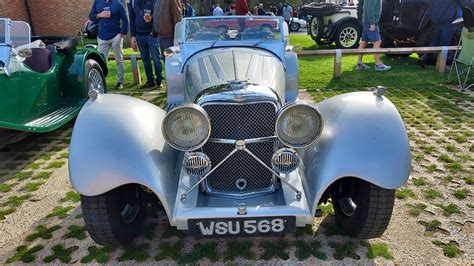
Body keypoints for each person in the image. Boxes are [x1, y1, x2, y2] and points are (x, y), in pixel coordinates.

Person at [89, 0, 128, 89]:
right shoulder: (97, 2)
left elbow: (125, 20)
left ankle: (120, 82)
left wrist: (122, 34)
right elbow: (91, 17)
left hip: (115, 36)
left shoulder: (118, 3)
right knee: (100, 61)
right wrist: (99, 15)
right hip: (102, 37)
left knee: (119, 60)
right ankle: (100, 83)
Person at [419, 0, 468, 67]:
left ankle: (425, 57)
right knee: (444, 44)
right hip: (449, 19)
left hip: (438, 19)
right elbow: (463, 3)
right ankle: (440, 65)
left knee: (436, 40)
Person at [128, 0, 162, 88]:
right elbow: (132, 18)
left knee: (156, 58)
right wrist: (133, 36)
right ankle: (151, 81)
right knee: (145, 59)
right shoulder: (132, 1)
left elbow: (159, 15)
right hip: (139, 35)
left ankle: (159, 81)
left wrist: (151, 18)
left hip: (151, 34)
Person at [356, 0, 391, 71]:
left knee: (364, 42)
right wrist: (372, 23)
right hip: (370, 22)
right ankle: (378, 65)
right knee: (377, 41)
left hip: (367, 21)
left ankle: (359, 64)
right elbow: (370, 9)